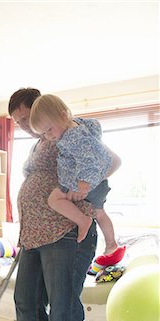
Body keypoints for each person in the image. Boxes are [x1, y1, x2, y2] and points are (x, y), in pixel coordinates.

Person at [8, 87, 97, 321]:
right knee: (26, 302)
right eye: (17, 123)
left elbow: (101, 158)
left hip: (64, 232)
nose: (24, 126)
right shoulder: (40, 142)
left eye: (26, 118)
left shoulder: (70, 130)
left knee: (62, 312)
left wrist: (83, 192)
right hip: (34, 235)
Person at [29, 94, 125, 264]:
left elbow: (90, 159)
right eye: (44, 133)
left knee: (54, 199)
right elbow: (95, 130)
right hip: (91, 182)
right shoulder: (80, 127)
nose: (48, 136)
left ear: (63, 115)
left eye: (49, 129)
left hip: (84, 183)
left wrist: (82, 184)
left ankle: (83, 221)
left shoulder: (73, 137)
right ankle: (111, 243)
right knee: (100, 213)